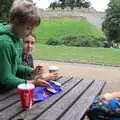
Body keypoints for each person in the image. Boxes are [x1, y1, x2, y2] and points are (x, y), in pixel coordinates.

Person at [0, 0, 50, 91]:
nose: (30, 32)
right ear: (16, 21)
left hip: (8, 90)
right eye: (28, 28)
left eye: (32, 29)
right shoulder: (4, 43)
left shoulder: (19, 38)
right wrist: (32, 83)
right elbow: (5, 78)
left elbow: (16, 66)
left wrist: (31, 70)